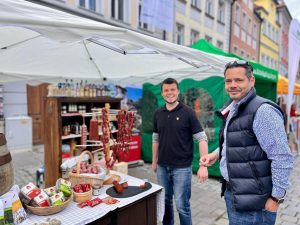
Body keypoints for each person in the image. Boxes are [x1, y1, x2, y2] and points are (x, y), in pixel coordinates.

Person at [200, 60, 293, 225]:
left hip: (255, 202)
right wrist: (216, 154)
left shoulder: (263, 111)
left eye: (238, 80)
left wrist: (275, 198)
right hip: (236, 193)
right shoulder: (234, 106)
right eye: (228, 81)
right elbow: (237, 140)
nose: (232, 85)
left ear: (251, 81)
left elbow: (282, 156)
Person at [152, 77, 208, 225]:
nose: (169, 93)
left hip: (182, 168)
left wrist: (203, 165)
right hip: (162, 167)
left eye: (172, 90)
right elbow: (155, 139)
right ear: (162, 93)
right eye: (166, 90)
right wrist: (154, 161)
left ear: (177, 91)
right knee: (165, 203)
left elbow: (202, 138)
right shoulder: (158, 113)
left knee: (182, 206)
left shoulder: (188, 112)